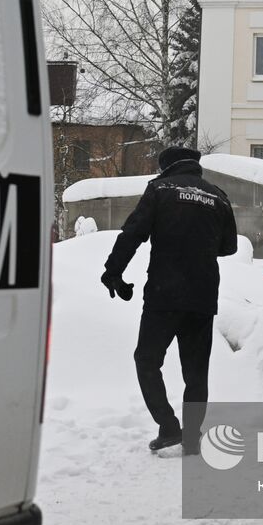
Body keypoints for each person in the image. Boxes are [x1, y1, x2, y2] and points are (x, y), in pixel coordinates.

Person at [101, 146, 237, 455]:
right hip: (202, 296)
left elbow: (133, 232)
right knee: (196, 372)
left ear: (168, 167)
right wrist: (199, 243)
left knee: (146, 360)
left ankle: (168, 427)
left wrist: (113, 272)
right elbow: (228, 246)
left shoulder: (160, 189)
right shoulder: (218, 196)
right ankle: (191, 437)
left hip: (164, 293)